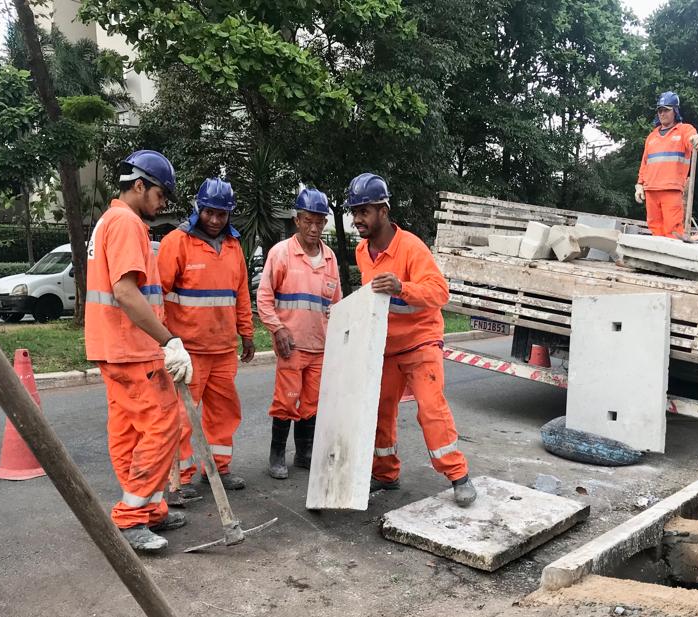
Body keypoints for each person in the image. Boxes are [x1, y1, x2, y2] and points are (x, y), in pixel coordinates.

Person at [84, 149, 193, 552]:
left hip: (112, 345)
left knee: (129, 431)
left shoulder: (108, 221)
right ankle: (132, 518)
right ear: (140, 185)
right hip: (132, 348)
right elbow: (126, 292)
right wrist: (169, 340)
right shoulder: (127, 223)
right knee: (164, 426)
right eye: (161, 194)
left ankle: (148, 508)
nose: (162, 203)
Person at [347, 173, 476, 507]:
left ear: (384, 211)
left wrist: (403, 287)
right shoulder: (363, 252)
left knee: (431, 408)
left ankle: (458, 475)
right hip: (386, 347)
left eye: (364, 211)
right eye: (354, 211)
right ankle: (386, 474)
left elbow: (439, 292)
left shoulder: (411, 247)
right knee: (380, 411)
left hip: (420, 343)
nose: (357, 218)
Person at [158, 178, 254, 496]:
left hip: (223, 349)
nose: (215, 220)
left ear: (229, 215)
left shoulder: (233, 246)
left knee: (224, 412)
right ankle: (180, 478)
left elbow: (241, 294)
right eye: (210, 212)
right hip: (189, 349)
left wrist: (247, 334)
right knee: (183, 415)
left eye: (222, 214)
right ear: (199, 209)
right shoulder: (177, 243)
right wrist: (164, 340)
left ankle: (217, 469)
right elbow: (158, 294)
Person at [257, 188, 341, 479]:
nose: (314, 228)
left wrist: (337, 342)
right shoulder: (281, 254)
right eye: (308, 220)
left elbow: (336, 305)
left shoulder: (330, 259)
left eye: (319, 221)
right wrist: (277, 329)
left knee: (311, 403)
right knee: (287, 399)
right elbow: (264, 297)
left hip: (320, 347)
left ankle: (303, 453)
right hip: (291, 346)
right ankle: (277, 455)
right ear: (297, 220)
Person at [634, 91, 698, 240]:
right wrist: (639, 185)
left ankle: (671, 261)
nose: (662, 113)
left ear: (675, 111)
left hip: (671, 190)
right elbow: (645, 163)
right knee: (655, 230)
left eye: (666, 110)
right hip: (651, 189)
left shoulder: (684, 130)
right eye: (660, 110)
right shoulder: (652, 136)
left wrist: (697, 140)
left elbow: (692, 139)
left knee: (673, 231)